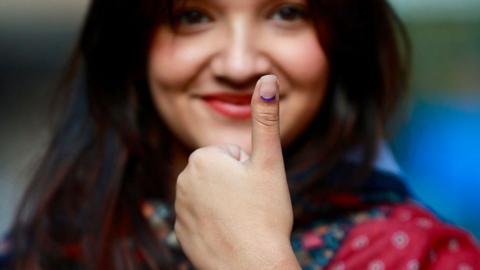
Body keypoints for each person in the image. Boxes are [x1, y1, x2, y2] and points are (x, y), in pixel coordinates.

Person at [1, 0, 479, 269]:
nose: (238, 64)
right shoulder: (48, 246)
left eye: (287, 13)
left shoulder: (423, 256)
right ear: (132, 43)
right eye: (192, 16)